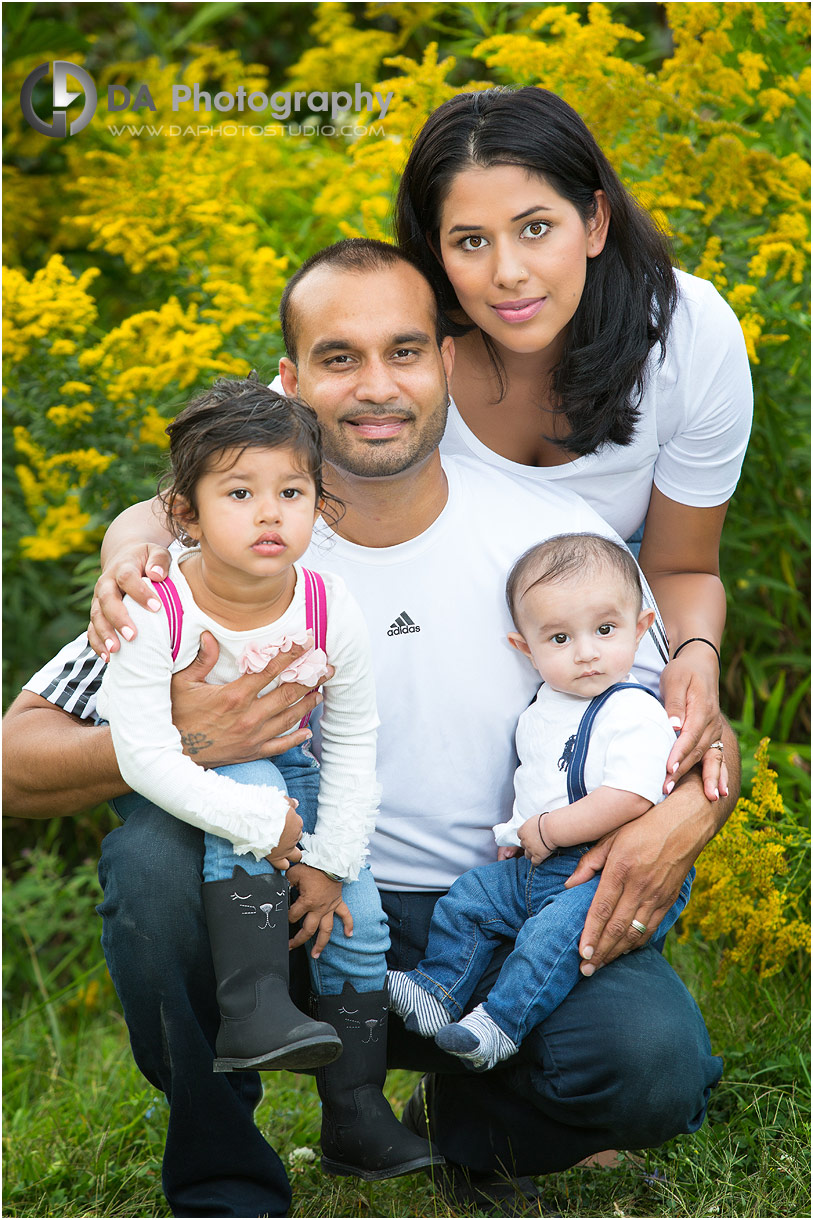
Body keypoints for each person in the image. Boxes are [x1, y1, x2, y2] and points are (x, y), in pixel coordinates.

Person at [4, 240, 737, 1217]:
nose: (377, 385)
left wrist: (677, 810)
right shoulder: (204, 556)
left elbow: (675, 737)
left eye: (405, 350)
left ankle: (472, 1127)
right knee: (154, 862)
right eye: (339, 357)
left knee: (650, 1065)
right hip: (294, 916)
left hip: (494, 914)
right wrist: (174, 738)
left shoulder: (555, 542)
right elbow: (18, 757)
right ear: (290, 379)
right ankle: (225, 1181)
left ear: (448, 363)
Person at [95, 379, 441, 1181]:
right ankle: (254, 1006)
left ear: (320, 506)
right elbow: (141, 756)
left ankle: (356, 1113)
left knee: (357, 921)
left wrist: (327, 861)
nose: (268, 513)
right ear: (185, 512)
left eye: (291, 492)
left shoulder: (327, 604)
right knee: (251, 780)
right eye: (239, 492)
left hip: (296, 770)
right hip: (192, 773)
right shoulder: (156, 609)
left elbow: (353, 740)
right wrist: (262, 823)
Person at [396, 86, 753, 798]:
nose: (507, 273)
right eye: (470, 241)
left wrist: (694, 654)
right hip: (428, 663)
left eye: (535, 228)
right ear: (435, 252)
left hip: (594, 666)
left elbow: (679, 567)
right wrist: (135, 540)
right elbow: (239, 471)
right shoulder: (401, 339)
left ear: (593, 221)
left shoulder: (687, 336)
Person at [388, 532, 692, 1072]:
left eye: (605, 629)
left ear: (642, 628)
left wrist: (548, 831)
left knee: (549, 939)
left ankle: (500, 1025)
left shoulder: (633, 712)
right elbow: (537, 784)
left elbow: (630, 796)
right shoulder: (543, 709)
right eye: (558, 639)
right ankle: (437, 992)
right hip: (538, 864)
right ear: (524, 648)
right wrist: (517, 833)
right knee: (470, 900)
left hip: (603, 872)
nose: (586, 652)